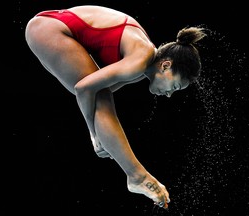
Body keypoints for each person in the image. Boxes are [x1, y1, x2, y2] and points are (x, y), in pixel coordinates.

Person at [25, 5, 206, 209]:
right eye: (174, 86)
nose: (169, 94)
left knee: (102, 95)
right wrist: (94, 133)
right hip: (49, 28)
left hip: (49, 27)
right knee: (100, 97)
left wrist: (100, 132)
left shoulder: (140, 68)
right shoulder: (140, 59)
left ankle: (136, 175)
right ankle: (137, 176)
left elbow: (100, 91)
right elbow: (84, 89)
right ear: (165, 66)